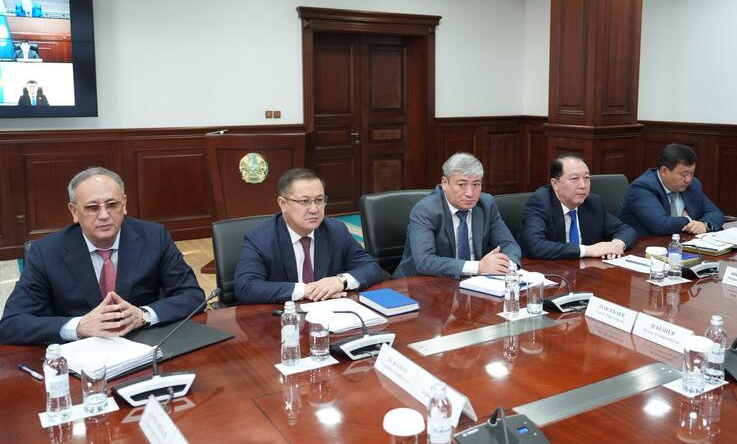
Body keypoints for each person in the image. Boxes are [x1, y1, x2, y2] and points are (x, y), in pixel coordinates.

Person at [0, 167, 205, 345]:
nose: (104, 215)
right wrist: (79, 327)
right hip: (80, 355)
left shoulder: (154, 237)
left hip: (144, 346)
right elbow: (11, 323)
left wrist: (143, 315)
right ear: (74, 211)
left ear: (124, 204)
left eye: (112, 204)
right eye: (92, 208)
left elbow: (192, 295)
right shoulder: (46, 252)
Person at [235, 168, 384, 304]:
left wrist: (341, 281)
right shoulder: (260, 238)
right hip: (284, 316)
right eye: (304, 201)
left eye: (319, 200)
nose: (314, 209)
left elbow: (371, 268)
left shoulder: (336, 231)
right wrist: (305, 290)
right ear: (283, 204)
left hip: (331, 313)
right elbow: (246, 287)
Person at [393, 152, 521, 279]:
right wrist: (478, 267)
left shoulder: (486, 205)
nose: (470, 193)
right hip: (421, 282)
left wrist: (506, 265)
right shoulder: (425, 210)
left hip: (474, 283)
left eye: (476, 184)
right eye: (461, 184)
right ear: (444, 183)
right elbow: (425, 261)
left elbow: (509, 245)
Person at [519, 155, 637, 260]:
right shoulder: (541, 202)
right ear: (555, 184)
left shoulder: (593, 203)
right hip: (549, 271)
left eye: (586, 178)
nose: (583, 185)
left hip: (586, 270)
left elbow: (626, 230)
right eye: (574, 178)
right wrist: (588, 250)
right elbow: (535, 246)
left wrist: (615, 245)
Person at [619, 143, 724, 237]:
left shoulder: (693, 185)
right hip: (645, 246)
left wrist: (704, 225)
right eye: (683, 174)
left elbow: (716, 213)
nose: (688, 180)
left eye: (691, 173)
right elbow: (662, 225)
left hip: (680, 243)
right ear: (664, 171)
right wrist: (688, 219)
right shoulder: (642, 188)